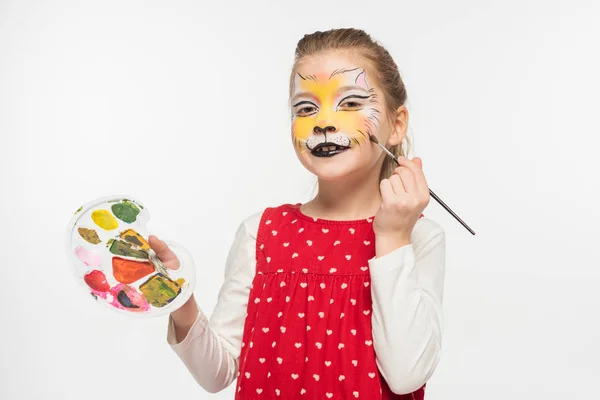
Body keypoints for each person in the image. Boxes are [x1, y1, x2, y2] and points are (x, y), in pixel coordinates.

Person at [149, 28, 446, 399]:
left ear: (396, 124)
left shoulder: (418, 237)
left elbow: (406, 375)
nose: (323, 122)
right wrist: (179, 298)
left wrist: (393, 236)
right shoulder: (261, 232)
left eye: (351, 103)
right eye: (306, 108)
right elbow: (218, 373)